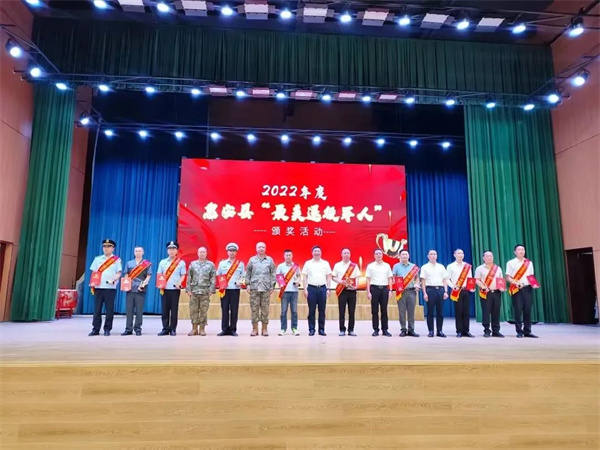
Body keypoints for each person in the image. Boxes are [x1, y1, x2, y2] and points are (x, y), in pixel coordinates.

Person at [88, 239, 122, 336]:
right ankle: (95, 329)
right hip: (98, 287)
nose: (106, 248)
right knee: (97, 310)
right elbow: (94, 272)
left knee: (109, 310)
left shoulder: (116, 260)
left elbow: (119, 272)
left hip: (110, 288)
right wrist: (92, 283)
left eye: (108, 247)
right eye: (104, 246)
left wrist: (115, 279)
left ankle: (107, 329)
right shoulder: (97, 259)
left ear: (113, 248)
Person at [506, 244, 539, 338]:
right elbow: (508, 277)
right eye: (519, 249)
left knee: (527, 310)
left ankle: (527, 331)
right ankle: (519, 331)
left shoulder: (529, 263)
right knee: (518, 310)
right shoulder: (511, 263)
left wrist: (534, 283)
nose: (521, 251)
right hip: (517, 289)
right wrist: (516, 282)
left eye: (523, 249)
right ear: (515, 252)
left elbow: (531, 276)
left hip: (528, 288)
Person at [246, 242, 276, 336]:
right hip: (254, 288)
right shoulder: (252, 260)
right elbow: (248, 273)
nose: (261, 249)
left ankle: (264, 329)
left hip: (266, 288)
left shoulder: (270, 260)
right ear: (256, 249)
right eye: (259, 247)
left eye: (263, 247)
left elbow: (273, 274)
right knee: (254, 309)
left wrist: (272, 286)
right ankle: (254, 329)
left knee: (265, 309)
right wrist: (248, 285)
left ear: (265, 249)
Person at [157, 241, 186, 336]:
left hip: (175, 290)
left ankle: (173, 329)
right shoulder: (162, 262)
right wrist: (160, 284)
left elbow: (183, 275)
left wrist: (179, 282)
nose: (171, 251)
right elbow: (159, 274)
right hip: (164, 289)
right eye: (169, 249)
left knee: (174, 310)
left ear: (177, 251)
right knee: (165, 310)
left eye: (173, 249)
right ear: (167, 251)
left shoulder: (181, 263)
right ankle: (165, 328)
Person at [302, 246, 332, 336]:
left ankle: (321, 329)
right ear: (312, 253)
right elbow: (304, 277)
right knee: (311, 310)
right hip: (311, 289)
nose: (317, 253)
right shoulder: (308, 263)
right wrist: (305, 289)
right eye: (315, 251)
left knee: (322, 310)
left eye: (318, 251)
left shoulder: (325, 263)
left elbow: (329, 276)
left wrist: (328, 288)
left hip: (322, 288)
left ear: (321, 252)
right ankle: (311, 329)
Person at [121, 246, 152, 336]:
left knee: (139, 311)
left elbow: (148, 276)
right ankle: (128, 329)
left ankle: (138, 328)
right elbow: (126, 274)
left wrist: (144, 284)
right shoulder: (129, 263)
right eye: (136, 251)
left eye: (139, 251)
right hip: (130, 289)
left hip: (140, 289)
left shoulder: (147, 264)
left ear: (143, 252)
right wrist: (126, 284)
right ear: (134, 253)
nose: (138, 252)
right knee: (129, 310)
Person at [216, 243, 245, 336]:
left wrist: (240, 282)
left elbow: (243, 276)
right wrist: (220, 284)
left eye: (233, 251)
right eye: (230, 251)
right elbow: (218, 275)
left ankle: (233, 329)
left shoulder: (240, 264)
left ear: (236, 252)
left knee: (234, 310)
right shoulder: (222, 263)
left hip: (235, 290)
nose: (232, 252)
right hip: (224, 290)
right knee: (224, 310)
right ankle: (224, 329)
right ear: (227, 252)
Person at [187, 246, 216, 336]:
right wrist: (188, 289)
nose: (202, 254)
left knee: (203, 311)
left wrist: (211, 290)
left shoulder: (210, 264)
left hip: (205, 291)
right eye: (200, 252)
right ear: (197, 253)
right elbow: (189, 277)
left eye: (204, 252)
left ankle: (202, 329)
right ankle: (194, 329)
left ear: (206, 253)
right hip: (194, 291)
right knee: (193, 310)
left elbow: (213, 278)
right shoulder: (193, 264)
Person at [475, 251, 505, 337]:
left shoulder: (498, 268)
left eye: (491, 256)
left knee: (496, 312)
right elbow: (476, 280)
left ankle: (496, 330)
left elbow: (500, 280)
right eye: (487, 256)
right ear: (483, 258)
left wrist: (502, 287)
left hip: (497, 292)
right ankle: (486, 330)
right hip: (485, 293)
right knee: (486, 311)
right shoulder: (479, 268)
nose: (490, 258)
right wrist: (483, 286)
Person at [420, 249, 449, 338]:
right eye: (431, 254)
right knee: (430, 312)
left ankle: (439, 331)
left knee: (440, 312)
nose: (433, 256)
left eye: (435, 254)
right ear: (428, 256)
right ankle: (431, 331)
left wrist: (445, 291)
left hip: (440, 290)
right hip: (430, 290)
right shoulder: (424, 267)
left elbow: (445, 280)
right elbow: (423, 281)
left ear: (437, 256)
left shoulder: (441, 267)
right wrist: (424, 293)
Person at [446, 248, 475, 338]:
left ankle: (466, 330)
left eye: (462, 253)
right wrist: (452, 286)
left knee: (466, 311)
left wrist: (471, 287)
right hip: (456, 291)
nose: (460, 255)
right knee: (458, 311)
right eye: (458, 253)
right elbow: (447, 279)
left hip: (466, 290)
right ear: (454, 255)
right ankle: (459, 331)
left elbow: (470, 278)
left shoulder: (467, 266)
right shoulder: (450, 266)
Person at [332, 248, 361, 336]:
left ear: (350, 254)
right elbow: (333, 277)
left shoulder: (354, 266)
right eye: (344, 253)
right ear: (341, 254)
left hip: (352, 290)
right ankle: (342, 329)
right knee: (342, 310)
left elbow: (357, 277)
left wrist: (355, 286)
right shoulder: (337, 265)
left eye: (348, 253)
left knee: (352, 311)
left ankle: (351, 329)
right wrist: (341, 281)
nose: (346, 254)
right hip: (342, 290)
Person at [392, 249, 420, 337]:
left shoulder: (413, 266)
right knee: (402, 312)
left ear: (409, 256)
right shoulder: (396, 266)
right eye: (403, 254)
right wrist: (396, 283)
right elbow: (393, 277)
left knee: (411, 311)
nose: (405, 256)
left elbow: (417, 278)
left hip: (411, 291)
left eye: (406, 254)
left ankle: (411, 330)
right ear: (399, 256)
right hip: (401, 292)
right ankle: (403, 329)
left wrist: (417, 284)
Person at [366, 249, 393, 337]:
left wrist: (390, 290)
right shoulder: (370, 266)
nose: (378, 255)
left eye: (380, 253)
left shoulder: (387, 266)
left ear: (382, 255)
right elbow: (368, 279)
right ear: (374, 255)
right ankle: (375, 329)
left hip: (384, 289)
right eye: (376, 254)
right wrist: (368, 292)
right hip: (374, 289)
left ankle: (385, 330)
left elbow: (389, 278)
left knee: (384, 310)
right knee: (374, 310)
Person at [275, 249, 301, 336]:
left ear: (292, 256)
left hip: (294, 291)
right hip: (284, 292)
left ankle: (294, 328)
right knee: (283, 311)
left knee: (294, 311)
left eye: (290, 255)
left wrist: (298, 281)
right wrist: (280, 283)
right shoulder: (280, 266)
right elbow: (277, 277)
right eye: (287, 255)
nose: (288, 257)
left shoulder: (296, 266)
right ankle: (283, 329)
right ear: (284, 256)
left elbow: (299, 276)